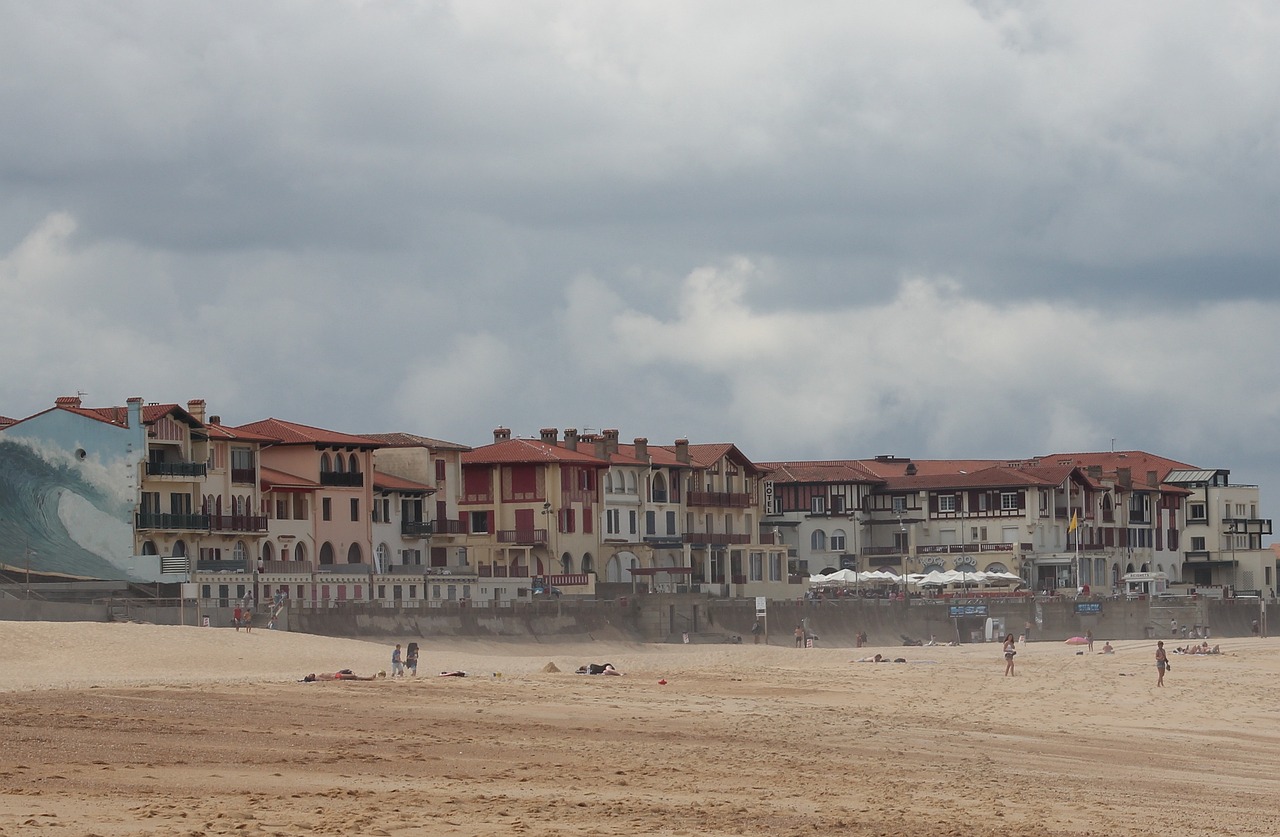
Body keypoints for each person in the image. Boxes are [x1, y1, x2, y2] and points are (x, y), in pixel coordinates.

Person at [302, 670, 385, 682]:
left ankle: (369, 678)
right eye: (309, 675)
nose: (310, 674)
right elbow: (326, 680)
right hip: (336, 676)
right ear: (311, 678)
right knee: (353, 677)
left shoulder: (317, 676)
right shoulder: (317, 678)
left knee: (353, 677)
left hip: (336, 675)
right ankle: (369, 678)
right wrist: (335, 679)